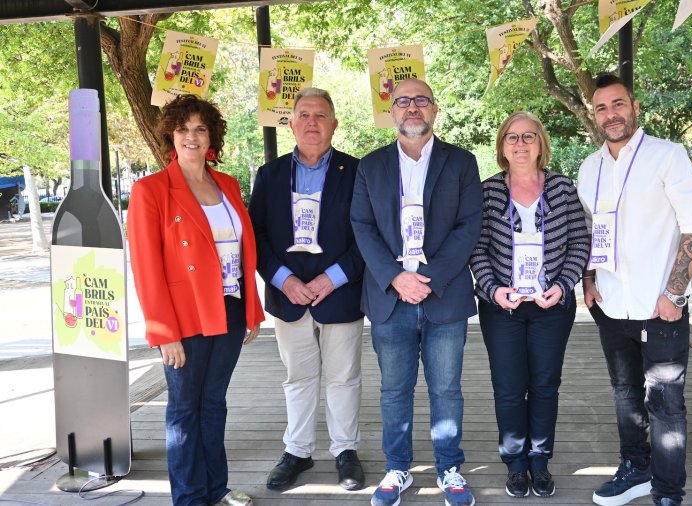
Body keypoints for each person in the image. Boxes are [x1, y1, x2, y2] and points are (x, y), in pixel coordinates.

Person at [576, 73, 692, 506]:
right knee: (625, 395)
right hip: (611, 306)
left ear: (634, 106)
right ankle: (635, 468)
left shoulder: (667, 157)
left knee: (666, 404)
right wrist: (590, 279)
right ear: (594, 115)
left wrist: (673, 296)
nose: (610, 114)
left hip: (661, 307)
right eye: (601, 108)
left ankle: (668, 491)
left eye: (617, 105)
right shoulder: (589, 167)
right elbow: (591, 229)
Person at [128, 94, 265, 506]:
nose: (192, 136)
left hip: (230, 307)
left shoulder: (226, 185)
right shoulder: (150, 190)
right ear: (172, 134)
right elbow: (146, 267)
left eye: (200, 129)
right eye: (184, 129)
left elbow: (242, 252)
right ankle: (189, 497)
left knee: (214, 403)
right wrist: (163, 332)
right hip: (184, 317)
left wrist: (252, 310)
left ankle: (215, 488)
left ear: (212, 137)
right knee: (185, 408)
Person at [350, 78, 482, 506]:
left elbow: (469, 226)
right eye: (403, 101)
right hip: (390, 300)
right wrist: (395, 276)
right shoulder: (370, 166)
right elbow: (362, 226)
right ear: (391, 111)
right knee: (394, 390)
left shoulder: (461, 163)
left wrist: (428, 277)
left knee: (447, 389)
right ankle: (398, 468)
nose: (412, 108)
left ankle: (449, 468)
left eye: (421, 101)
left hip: (444, 297)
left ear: (434, 110)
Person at [249, 88, 366, 492]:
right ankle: (297, 451)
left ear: (334, 123)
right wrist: (285, 280)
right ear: (292, 123)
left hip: (341, 293)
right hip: (289, 297)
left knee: (343, 379)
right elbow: (256, 236)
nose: (312, 122)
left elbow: (367, 237)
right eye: (304, 114)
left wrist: (330, 278)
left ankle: (345, 451)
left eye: (321, 115)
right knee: (298, 378)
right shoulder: (270, 174)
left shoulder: (357, 172)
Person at [469, 111, 590, 498]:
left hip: (551, 305)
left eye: (529, 137)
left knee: (544, 386)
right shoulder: (487, 191)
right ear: (502, 146)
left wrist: (563, 283)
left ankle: (539, 461)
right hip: (502, 307)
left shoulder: (562, 188)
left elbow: (580, 242)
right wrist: (492, 290)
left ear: (541, 144)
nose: (520, 144)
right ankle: (515, 463)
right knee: (508, 388)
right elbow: (478, 249)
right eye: (512, 138)